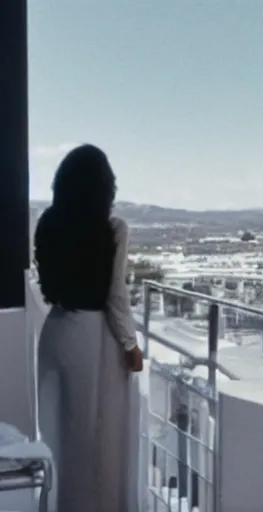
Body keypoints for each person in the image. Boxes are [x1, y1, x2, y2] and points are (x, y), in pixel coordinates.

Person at [35, 144, 144, 512]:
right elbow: (116, 294)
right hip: (93, 339)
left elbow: (46, 285)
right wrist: (131, 345)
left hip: (56, 332)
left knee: (58, 436)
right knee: (98, 442)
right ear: (105, 187)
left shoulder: (47, 222)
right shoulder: (113, 228)